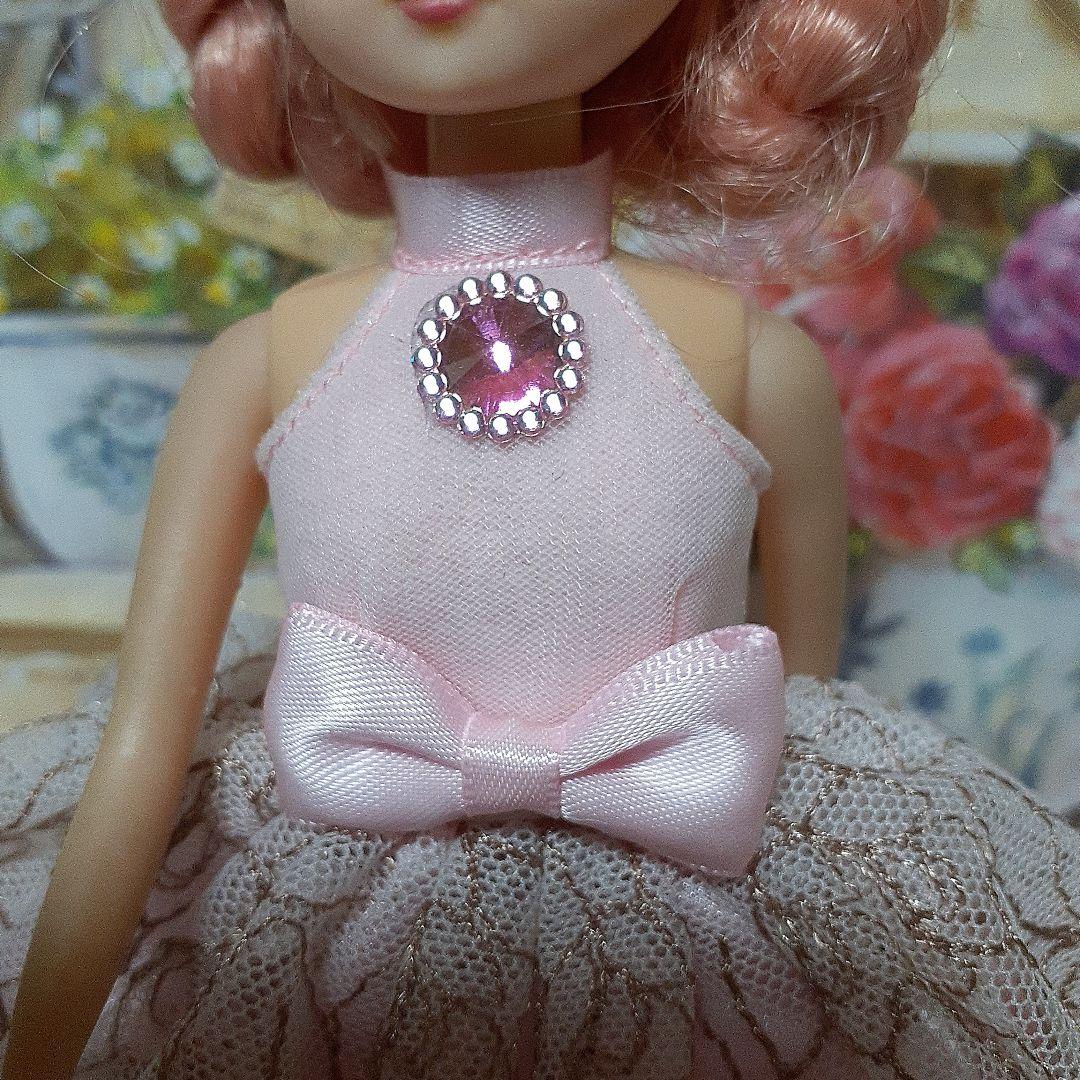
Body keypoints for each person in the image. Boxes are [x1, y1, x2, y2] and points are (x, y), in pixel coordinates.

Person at [2, 2, 1077, 1077]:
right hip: (315, 928)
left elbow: (803, 742)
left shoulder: (758, 364)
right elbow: (139, 753)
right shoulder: (265, 359)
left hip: (690, 950)